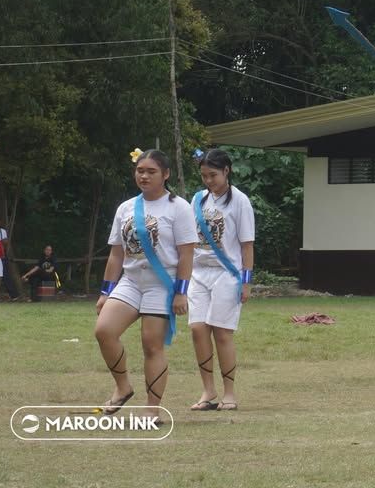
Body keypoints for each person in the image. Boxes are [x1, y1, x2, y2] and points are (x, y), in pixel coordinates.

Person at [94, 149, 197, 420]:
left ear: (165, 174)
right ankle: (123, 387)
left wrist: (180, 293)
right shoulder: (126, 207)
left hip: (161, 284)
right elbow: (116, 253)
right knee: (104, 331)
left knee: (152, 345)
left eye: (151, 171)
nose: (144, 176)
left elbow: (187, 253)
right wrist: (106, 292)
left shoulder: (179, 208)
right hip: (130, 280)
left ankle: (153, 408)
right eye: (140, 171)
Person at [189, 148, 255, 412]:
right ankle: (208, 391)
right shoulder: (197, 201)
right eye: (204, 175)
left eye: (213, 175)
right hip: (198, 273)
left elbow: (247, 245)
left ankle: (229, 393)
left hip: (228, 274)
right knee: (197, 329)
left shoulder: (240, 202)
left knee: (222, 333)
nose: (208, 180)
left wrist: (246, 282)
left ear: (226, 171)